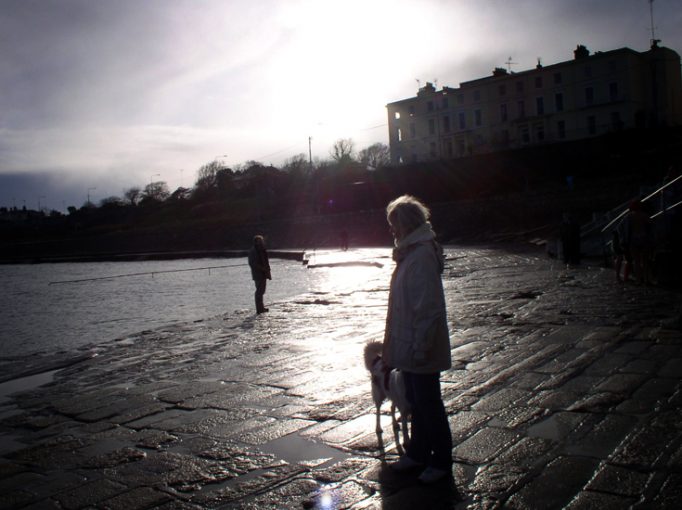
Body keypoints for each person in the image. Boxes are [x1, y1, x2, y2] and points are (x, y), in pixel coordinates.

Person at [382, 195, 453, 484]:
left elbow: (427, 308)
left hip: (420, 346)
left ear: (406, 224)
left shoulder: (420, 255)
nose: (392, 231)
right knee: (415, 400)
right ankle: (418, 453)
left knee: (428, 403)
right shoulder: (411, 253)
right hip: (410, 344)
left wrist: (421, 347)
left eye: (394, 225)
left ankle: (441, 460)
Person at [248, 235, 271, 313]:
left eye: (262, 241)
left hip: (263, 273)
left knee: (262, 291)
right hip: (258, 274)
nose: (262, 242)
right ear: (256, 242)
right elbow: (252, 263)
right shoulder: (253, 251)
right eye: (260, 241)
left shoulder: (261, 250)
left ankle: (261, 308)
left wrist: (267, 271)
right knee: (259, 291)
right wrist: (262, 269)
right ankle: (259, 309)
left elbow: (265, 261)